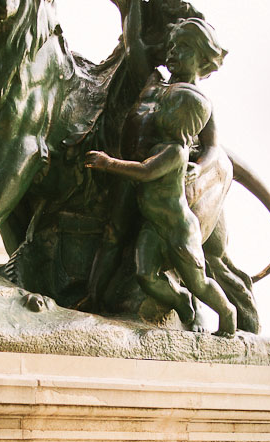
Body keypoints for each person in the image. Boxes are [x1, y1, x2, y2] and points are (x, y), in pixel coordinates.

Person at [84, 80, 236, 335]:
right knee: (146, 276)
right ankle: (180, 301)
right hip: (153, 226)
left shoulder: (175, 152)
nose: (157, 111)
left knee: (199, 282)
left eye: (164, 108)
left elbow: (145, 171)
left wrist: (107, 162)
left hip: (179, 230)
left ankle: (228, 313)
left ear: (179, 119)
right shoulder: (161, 146)